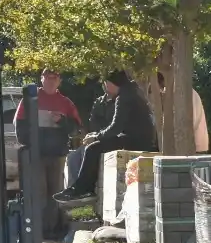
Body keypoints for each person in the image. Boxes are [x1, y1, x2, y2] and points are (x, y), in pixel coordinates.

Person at [53, 70, 159, 205]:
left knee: (93, 149)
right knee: (96, 146)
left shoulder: (124, 97)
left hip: (135, 140)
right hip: (138, 138)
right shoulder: (132, 92)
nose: (105, 87)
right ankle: (80, 188)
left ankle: (84, 190)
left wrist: (96, 137)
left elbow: (116, 127)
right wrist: (98, 135)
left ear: (111, 83)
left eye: (105, 83)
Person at [15, 69, 82, 238]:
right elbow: (19, 124)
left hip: (57, 155)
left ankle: (52, 231)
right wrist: (30, 144)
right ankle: (38, 231)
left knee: (55, 193)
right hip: (36, 155)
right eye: (48, 78)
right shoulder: (30, 100)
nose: (51, 81)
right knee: (39, 192)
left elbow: (76, 129)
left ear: (59, 81)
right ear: (42, 79)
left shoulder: (66, 103)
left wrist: (63, 121)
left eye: (55, 78)